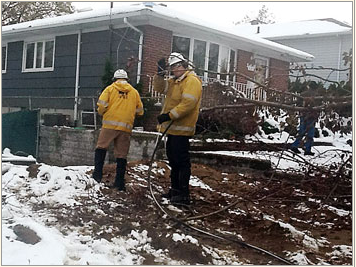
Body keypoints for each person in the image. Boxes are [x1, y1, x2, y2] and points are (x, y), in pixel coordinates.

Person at [153, 52, 202, 205]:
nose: (173, 70)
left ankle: (183, 194)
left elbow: (188, 104)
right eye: (171, 68)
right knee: (173, 161)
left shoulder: (191, 81)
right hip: (172, 129)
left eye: (175, 67)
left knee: (181, 161)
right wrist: (159, 74)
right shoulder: (174, 81)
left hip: (182, 129)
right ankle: (175, 190)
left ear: (183, 66)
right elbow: (160, 88)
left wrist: (169, 116)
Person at [92, 69, 144, 191]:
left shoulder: (110, 89)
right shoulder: (134, 92)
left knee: (101, 148)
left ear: (115, 79)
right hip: (125, 127)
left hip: (109, 125)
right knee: (121, 155)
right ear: (127, 79)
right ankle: (119, 183)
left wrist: (102, 113)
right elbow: (140, 111)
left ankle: (97, 176)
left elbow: (101, 106)